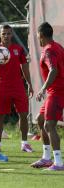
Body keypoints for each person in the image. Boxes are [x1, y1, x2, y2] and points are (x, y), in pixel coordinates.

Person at [0, 24, 34, 153]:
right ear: (0, 35)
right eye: (3, 33)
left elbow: (25, 68)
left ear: (12, 34)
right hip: (2, 86)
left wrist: (29, 84)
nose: (6, 36)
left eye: (8, 33)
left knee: (23, 114)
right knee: (0, 116)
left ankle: (24, 143)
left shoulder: (18, 49)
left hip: (18, 85)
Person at [30, 22, 64, 171]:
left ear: (41, 35)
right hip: (55, 91)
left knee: (49, 125)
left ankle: (58, 162)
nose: (38, 38)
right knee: (40, 119)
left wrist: (43, 88)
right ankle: (46, 158)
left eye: (38, 36)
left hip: (57, 91)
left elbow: (53, 70)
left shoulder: (49, 50)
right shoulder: (57, 47)